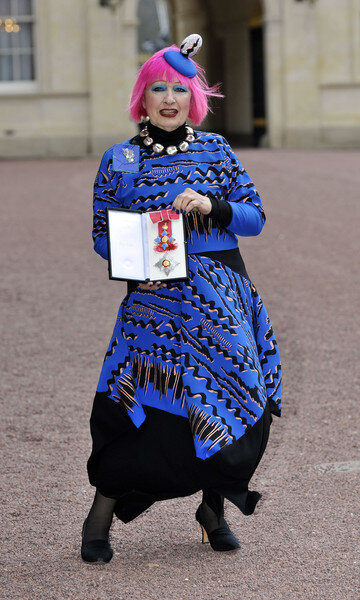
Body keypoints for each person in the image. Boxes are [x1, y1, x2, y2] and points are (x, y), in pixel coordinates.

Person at [81, 34, 281, 563]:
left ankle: (212, 510)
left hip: (221, 304)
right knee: (143, 411)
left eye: (179, 88)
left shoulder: (217, 151)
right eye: (158, 89)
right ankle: (100, 515)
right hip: (154, 308)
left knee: (224, 405)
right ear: (142, 98)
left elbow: (255, 218)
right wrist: (135, 249)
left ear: (193, 97)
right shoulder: (119, 159)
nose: (169, 98)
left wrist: (214, 205)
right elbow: (102, 234)